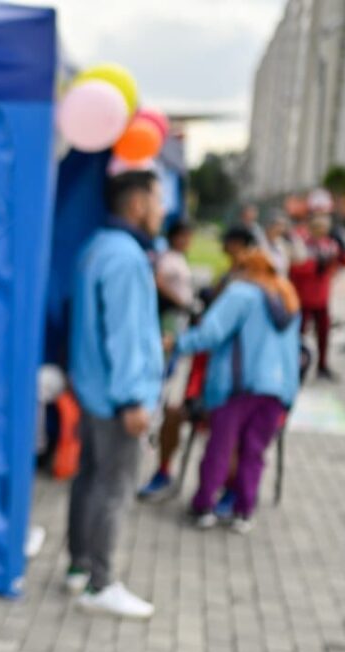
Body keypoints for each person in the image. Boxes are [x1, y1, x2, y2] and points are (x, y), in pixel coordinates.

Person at [66, 170, 164, 619]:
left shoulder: (96, 247)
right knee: (114, 487)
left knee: (89, 479)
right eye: (158, 200)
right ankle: (100, 583)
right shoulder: (125, 257)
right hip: (115, 396)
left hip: (91, 388)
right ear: (138, 203)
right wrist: (132, 399)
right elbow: (124, 336)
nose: (163, 211)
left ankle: (79, 567)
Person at [173, 249, 301, 533]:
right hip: (276, 391)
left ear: (243, 268)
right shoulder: (288, 297)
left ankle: (204, 505)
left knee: (221, 447)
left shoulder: (241, 293)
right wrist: (290, 394)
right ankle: (244, 510)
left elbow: (210, 334)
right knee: (253, 452)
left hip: (236, 387)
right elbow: (293, 353)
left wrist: (175, 343)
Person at [139, 218, 196, 501]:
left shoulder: (179, 258)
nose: (188, 240)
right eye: (184, 235)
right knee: (160, 373)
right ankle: (150, 419)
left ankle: (153, 417)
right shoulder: (166, 258)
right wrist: (181, 302)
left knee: (168, 375)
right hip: (170, 323)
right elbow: (157, 281)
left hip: (178, 325)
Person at [290, 214, 345, 380]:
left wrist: (344, 250)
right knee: (298, 334)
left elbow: (341, 263)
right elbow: (295, 269)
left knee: (323, 333)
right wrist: (315, 266)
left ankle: (322, 365)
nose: (323, 230)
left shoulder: (329, 244)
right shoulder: (302, 245)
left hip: (321, 297)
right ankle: (294, 365)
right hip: (304, 298)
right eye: (319, 226)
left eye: (325, 227)